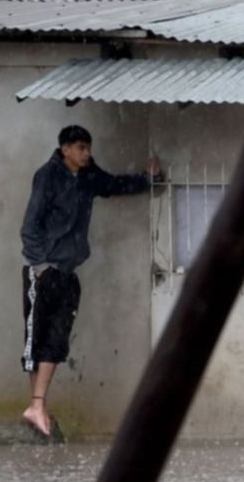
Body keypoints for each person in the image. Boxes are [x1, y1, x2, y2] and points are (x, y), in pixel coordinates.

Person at [19, 125, 162, 436]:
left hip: (68, 272)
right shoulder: (48, 176)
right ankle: (37, 405)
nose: (87, 154)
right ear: (65, 149)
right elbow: (30, 225)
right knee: (37, 341)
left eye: (88, 148)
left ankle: (38, 405)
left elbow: (112, 185)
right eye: (81, 148)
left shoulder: (87, 176)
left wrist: (147, 179)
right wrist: (40, 264)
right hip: (42, 270)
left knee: (56, 341)